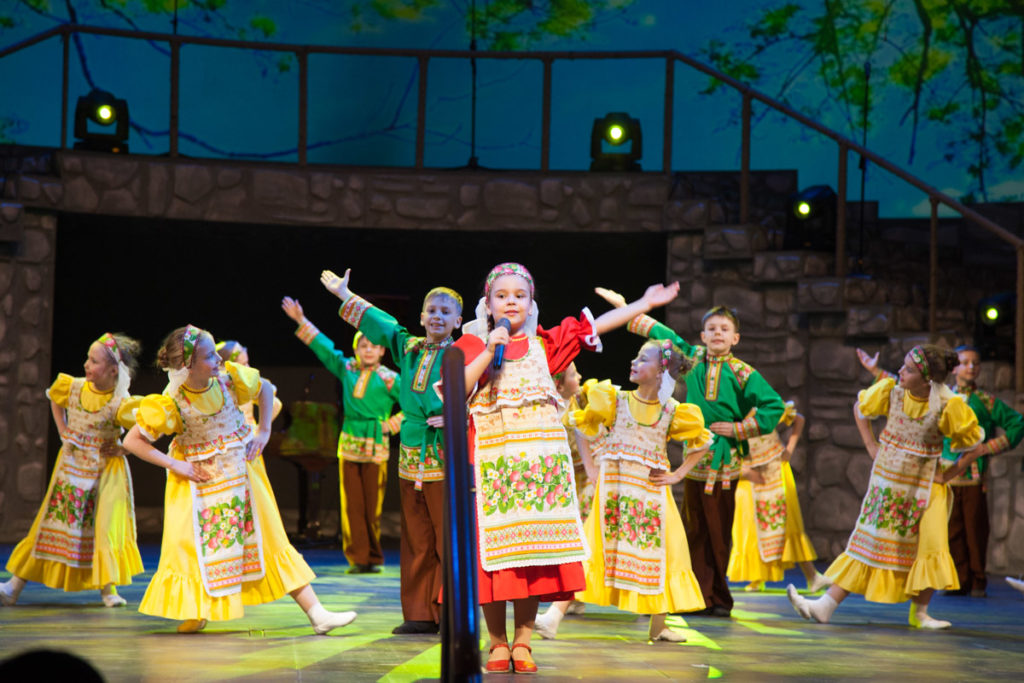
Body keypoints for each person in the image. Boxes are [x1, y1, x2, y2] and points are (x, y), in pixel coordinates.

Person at [453, 263, 680, 673]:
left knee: (533, 559)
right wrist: (489, 349)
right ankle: (497, 642)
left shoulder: (546, 344)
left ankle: (523, 642)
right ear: (487, 303)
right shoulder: (472, 344)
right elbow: (455, 389)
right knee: (494, 561)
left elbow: (596, 325)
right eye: (501, 296)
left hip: (540, 473)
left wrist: (644, 304)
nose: (511, 302)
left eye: (519, 295)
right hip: (492, 469)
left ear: (531, 303)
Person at [122, 325, 357, 634]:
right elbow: (133, 441)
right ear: (188, 365)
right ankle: (196, 612)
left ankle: (317, 613)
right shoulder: (172, 400)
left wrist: (263, 431)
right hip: (198, 486)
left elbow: (266, 389)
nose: (218, 360)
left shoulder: (228, 379)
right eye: (209, 356)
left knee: (271, 540)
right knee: (191, 549)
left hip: (242, 477)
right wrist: (175, 465)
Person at [596, 289, 786, 617]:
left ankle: (719, 599)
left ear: (735, 338)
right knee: (693, 528)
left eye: (724, 329)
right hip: (696, 458)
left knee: (718, 531)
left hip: (723, 461)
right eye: (711, 329)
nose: (717, 334)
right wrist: (626, 308)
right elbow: (664, 335)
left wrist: (739, 428)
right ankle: (694, 596)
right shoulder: (694, 358)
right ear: (703, 335)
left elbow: (774, 405)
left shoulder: (743, 373)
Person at [789, 344, 983, 629]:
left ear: (927, 379)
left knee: (931, 546)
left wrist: (949, 473)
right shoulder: (891, 391)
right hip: (889, 486)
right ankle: (825, 605)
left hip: (926, 490)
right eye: (903, 365)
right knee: (869, 544)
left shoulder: (947, 404)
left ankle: (920, 613)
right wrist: (870, 444)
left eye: (909, 369)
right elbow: (860, 409)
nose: (900, 371)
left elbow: (974, 445)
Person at [536, 339, 711, 643]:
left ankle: (659, 625)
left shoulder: (672, 411)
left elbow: (702, 442)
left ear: (661, 371)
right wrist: (591, 468)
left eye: (643, 359)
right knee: (593, 549)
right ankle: (553, 616)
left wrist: (678, 474)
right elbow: (582, 426)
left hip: (651, 495)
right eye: (636, 356)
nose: (634, 362)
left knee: (666, 553)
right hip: (614, 493)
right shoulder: (614, 400)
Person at [320, 269, 462, 635]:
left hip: (444, 449)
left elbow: (479, 394)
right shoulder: (410, 347)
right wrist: (345, 295)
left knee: (447, 534)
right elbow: (382, 324)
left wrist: (454, 416)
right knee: (416, 535)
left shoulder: (463, 355)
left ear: (458, 321)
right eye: (432, 310)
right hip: (411, 451)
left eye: (446, 312)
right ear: (422, 316)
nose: (437, 317)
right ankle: (419, 613)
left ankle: (450, 612)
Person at [857, 345, 1024, 597]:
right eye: (965, 363)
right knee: (948, 532)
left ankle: (977, 581)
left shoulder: (980, 401)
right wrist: (875, 371)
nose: (971, 368)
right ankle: (956, 581)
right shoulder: (936, 395)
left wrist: (987, 448)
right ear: (953, 368)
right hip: (934, 475)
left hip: (971, 477)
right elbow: (906, 381)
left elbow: (1016, 424)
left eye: (975, 363)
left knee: (974, 530)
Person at [1, 333, 144, 607]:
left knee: (104, 527)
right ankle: (13, 587)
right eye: (88, 359)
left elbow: (146, 427)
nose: (87, 365)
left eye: (94, 361)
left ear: (113, 370)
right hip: (72, 468)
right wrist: (63, 430)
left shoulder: (121, 402)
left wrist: (124, 448)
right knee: (52, 523)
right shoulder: (75, 387)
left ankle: (108, 589)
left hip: (105, 472)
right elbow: (55, 400)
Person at [281, 297, 402, 574]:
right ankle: (358, 558)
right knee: (352, 505)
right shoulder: (347, 369)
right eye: (363, 345)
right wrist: (301, 320)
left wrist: (392, 424)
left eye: (373, 346)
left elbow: (413, 406)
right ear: (356, 349)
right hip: (349, 444)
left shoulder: (390, 378)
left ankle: (373, 556)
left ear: (382, 350)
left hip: (375, 445)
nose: (368, 350)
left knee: (372, 505)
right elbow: (325, 349)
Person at [727, 402, 830, 593]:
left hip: (775, 472)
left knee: (787, 525)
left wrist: (789, 449)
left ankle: (812, 576)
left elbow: (797, 418)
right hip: (749, 477)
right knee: (749, 528)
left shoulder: (761, 409)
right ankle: (756, 577)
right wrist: (743, 471)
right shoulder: (726, 417)